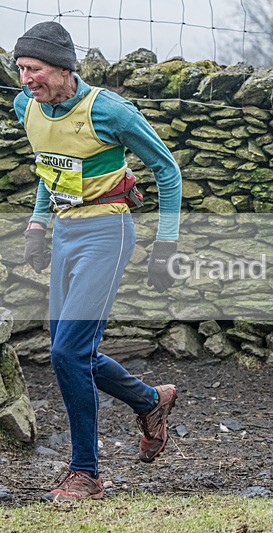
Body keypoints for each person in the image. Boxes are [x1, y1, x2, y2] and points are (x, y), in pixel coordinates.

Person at [13, 22, 182, 501]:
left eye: (35, 69)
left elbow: (167, 170)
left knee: (67, 353)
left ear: (65, 68)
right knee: (72, 350)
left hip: (107, 231)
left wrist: (166, 246)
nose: (26, 79)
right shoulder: (26, 106)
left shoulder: (109, 110)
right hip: (65, 232)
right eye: (21, 68)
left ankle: (85, 473)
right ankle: (150, 401)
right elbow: (50, 166)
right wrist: (38, 224)